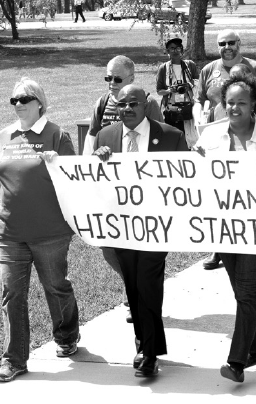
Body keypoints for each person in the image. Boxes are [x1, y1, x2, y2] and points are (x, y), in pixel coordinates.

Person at [192, 74, 256, 383]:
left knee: (246, 290)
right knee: (242, 293)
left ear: (254, 105)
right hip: (225, 229)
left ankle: (237, 362)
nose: (233, 108)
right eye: (229, 102)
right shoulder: (210, 138)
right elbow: (195, 182)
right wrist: (194, 163)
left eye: (241, 103)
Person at [92, 84, 189, 377]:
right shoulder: (105, 137)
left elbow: (186, 182)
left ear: (146, 104)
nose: (128, 109)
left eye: (134, 103)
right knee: (133, 286)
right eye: (122, 104)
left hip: (157, 227)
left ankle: (148, 355)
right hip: (121, 226)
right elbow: (92, 180)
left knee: (148, 283)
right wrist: (98, 160)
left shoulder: (171, 136)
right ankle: (146, 343)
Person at [0, 78, 80, 383]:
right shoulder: (4, 136)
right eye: (13, 100)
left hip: (51, 232)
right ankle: (14, 359)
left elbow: (77, 179)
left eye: (24, 98)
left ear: (39, 102)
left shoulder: (57, 135)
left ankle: (66, 336)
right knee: (12, 293)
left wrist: (57, 165)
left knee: (56, 286)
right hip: (10, 233)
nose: (18, 104)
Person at [82, 55, 163, 323]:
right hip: (109, 191)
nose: (111, 84)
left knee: (141, 248)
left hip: (143, 191)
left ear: (131, 79)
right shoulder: (102, 103)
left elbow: (160, 141)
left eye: (117, 79)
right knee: (108, 245)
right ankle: (135, 287)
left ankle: (142, 296)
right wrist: (86, 173)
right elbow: (91, 141)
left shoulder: (147, 104)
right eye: (108, 78)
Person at [194, 29, 256, 271]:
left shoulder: (255, 67)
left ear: (239, 43)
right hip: (217, 137)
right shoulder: (209, 70)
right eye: (222, 43)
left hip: (249, 136)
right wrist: (199, 120)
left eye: (231, 42)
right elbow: (199, 99)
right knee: (220, 197)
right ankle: (219, 249)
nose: (227, 46)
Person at [155, 36, 199, 146]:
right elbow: (159, 91)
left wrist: (188, 86)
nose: (175, 51)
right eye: (172, 48)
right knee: (172, 137)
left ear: (182, 50)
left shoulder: (190, 65)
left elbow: (198, 82)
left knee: (189, 137)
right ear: (167, 52)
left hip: (188, 107)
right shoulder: (163, 68)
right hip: (171, 109)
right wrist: (170, 90)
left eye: (178, 48)